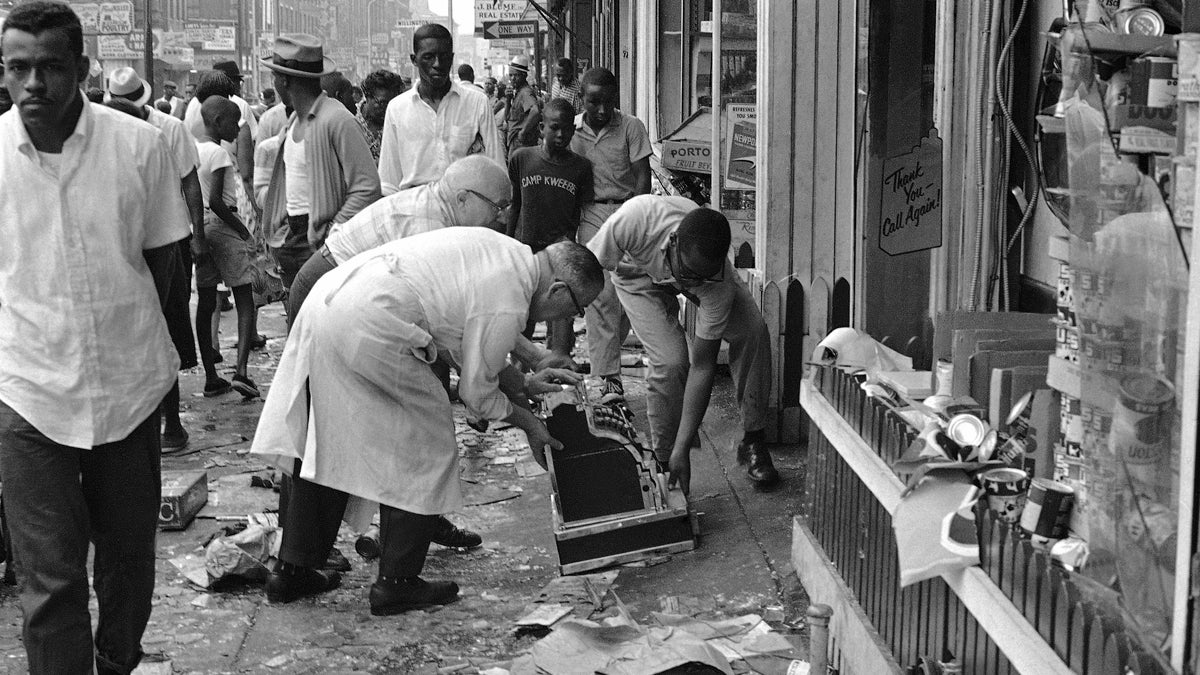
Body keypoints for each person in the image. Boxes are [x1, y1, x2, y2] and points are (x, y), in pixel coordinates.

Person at [250, 229, 604, 612]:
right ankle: (397, 583)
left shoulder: (505, 254)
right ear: (556, 290)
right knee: (427, 442)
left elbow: (462, 341)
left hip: (332, 301)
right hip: (370, 315)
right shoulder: (510, 297)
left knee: (328, 433)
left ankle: (291, 570)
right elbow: (476, 394)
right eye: (577, 308)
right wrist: (529, 423)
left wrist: (524, 383)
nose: (571, 317)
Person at [0, 3, 190, 673]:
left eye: (49, 68)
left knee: (129, 562)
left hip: (127, 389)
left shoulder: (139, 146)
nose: (32, 86)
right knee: (48, 580)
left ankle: (116, 661)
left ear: (80, 68)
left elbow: (165, 267)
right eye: (18, 68)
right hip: (30, 394)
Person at [587, 196, 781, 492]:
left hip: (701, 276)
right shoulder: (634, 220)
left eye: (700, 277)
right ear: (674, 242)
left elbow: (703, 366)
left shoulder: (716, 282)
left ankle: (753, 438)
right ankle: (663, 461)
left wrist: (685, 445)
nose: (689, 284)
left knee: (753, 329)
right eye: (688, 273)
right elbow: (584, 269)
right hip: (636, 277)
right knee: (670, 360)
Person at [106, 66, 206, 451]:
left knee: (166, 324)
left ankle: (172, 424)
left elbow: (189, 180)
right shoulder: (106, 133)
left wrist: (196, 234)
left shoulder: (168, 129)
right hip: (124, 240)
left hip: (167, 239)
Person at [259, 33, 380, 300]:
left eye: (274, 77)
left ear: (285, 80)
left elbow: (367, 187)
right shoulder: (293, 124)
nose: (274, 83)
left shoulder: (337, 119)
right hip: (292, 237)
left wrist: (332, 231)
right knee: (299, 326)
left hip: (320, 242)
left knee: (316, 325)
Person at [571, 66, 653, 406]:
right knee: (601, 295)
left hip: (627, 214)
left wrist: (634, 216)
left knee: (624, 299)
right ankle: (609, 378)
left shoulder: (631, 127)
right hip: (591, 216)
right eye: (594, 102)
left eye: (609, 102)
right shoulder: (572, 131)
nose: (602, 110)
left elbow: (642, 177)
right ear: (582, 99)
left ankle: (609, 358)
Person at [508, 98, 594, 357]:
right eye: (554, 128)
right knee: (523, 313)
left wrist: (570, 245)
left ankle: (558, 372)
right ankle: (522, 371)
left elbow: (581, 211)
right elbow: (515, 204)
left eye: (567, 129)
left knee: (561, 316)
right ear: (541, 127)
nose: (561, 134)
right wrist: (509, 241)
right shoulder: (522, 159)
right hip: (526, 250)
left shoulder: (580, 167)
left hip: (560, 254)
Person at [377, 23, 504, 195]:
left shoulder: (477, 103)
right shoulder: (397, 109)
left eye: (444, 56)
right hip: (413, 210)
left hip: (465, 210)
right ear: (414, 60)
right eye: (428, 57)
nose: (437, 64)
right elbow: (389, 181)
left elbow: (497, 166)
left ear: (451, 59)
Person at [194, 96, 260, 399]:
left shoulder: (192, 150)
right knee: (245, 298)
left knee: (208, 302)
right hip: (223, 226)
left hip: (201, 228)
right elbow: (218, 201)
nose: (238, 127)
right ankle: (241, 371)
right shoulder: (219, 153)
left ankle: (211, 376)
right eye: (234, 121)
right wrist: (243, 231)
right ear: (219, 121)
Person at [356, 69, 405, 163]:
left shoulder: (398, 124)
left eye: (392, 104)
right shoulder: (351, 122)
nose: (388, 109)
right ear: (367, 96)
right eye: (382, 103)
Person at [505, 55, 540, 152]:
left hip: (521, 143)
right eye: (510, 75)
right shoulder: (518, 92)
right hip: (514, 141)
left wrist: (523, 132)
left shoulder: (525, 92)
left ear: (524, 76)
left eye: (516, 75)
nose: (512, 78)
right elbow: (507, 118)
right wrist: (508, 100)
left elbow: (536, 111)